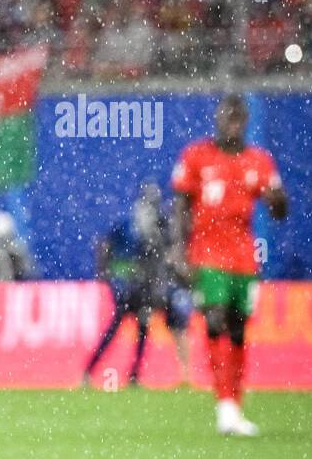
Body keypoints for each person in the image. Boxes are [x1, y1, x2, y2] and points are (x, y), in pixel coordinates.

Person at [171, 94, 288, 436]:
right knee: (215, 318)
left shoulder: (259, 162)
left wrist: (278, 200)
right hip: (207, 255)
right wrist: (180, 250)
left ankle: (234, 405)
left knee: (237, 331)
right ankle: (223, 404)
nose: (232, 123)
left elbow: (279, 212)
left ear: (246, 122)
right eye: (227, 117)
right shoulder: (197, 156)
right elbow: (181, 205)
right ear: (218, 119)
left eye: (238, 118)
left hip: (244, 259)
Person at [81, 184, 164, 388]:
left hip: (141, 285)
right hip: (126, 285)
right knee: (118, 328)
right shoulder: (128, 224)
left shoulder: (154, 228)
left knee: (141, 328)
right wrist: (107, 275)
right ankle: (91, 370)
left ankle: (134, 374)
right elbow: (105, 245)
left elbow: (153, 261)